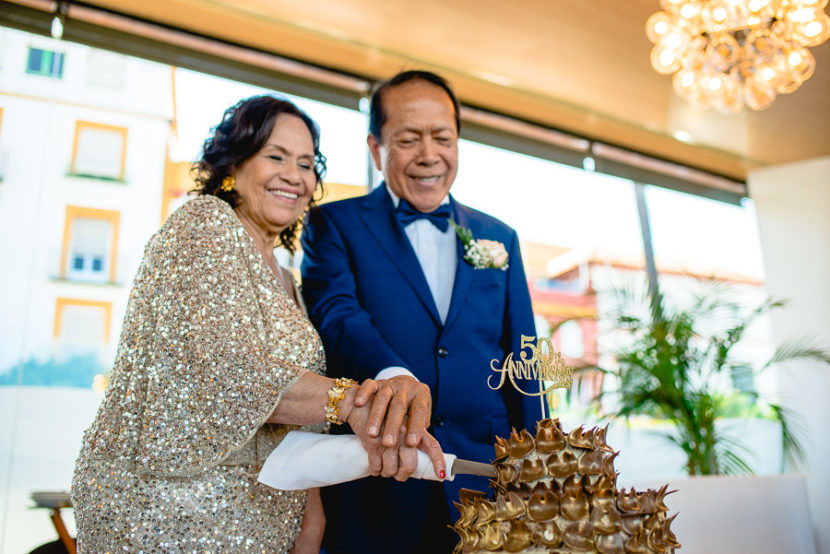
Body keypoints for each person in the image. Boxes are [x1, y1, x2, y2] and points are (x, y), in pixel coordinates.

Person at [70, 95, 444, 553]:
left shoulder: (290, 280)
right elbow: (216, 369)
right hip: (172, 512)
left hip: (262, 519)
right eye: (276, 156)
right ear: (234, 164)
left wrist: (312, 511)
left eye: (307, 164)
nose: (295, 175)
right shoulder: (204, 224)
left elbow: (296, 417)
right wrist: (354, 403)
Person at [301, 70, 539, 553]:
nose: (430, 155)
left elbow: (523, 359)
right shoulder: (334, 223)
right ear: (376, 148)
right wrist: (392, 374)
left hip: (485, 479)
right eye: (408, 140)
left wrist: (538, 468)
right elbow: (337, 312)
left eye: (443, 138)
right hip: (379, 480)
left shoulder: (501, 237)